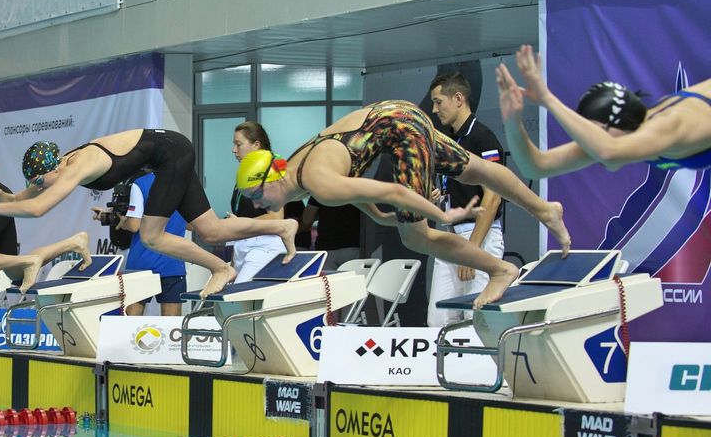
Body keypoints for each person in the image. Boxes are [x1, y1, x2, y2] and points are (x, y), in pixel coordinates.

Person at [234, 100, 570, 307]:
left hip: (402, 131)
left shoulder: (318, 183)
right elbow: (355, 189)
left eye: (257, 196)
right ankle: (545, 209)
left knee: (416, 237)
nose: (259, 205)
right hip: (397, 115)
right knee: (477, 170)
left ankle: (500, 269)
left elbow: (393, 193)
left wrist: (441, 214)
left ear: (273, 179)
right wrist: (383, 218)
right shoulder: (296, 170)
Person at [0, 130, 299, 297]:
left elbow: (37, 208)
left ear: (54, 168)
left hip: (172, 155)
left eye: (39, 181)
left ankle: (221, 268)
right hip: (172, 152)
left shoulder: (79, 165)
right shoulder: (59, 167)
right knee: (211, 231)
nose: (38, 187)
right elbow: (18, 198)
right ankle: (282, 227)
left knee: (151, 236)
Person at [496, 44, 711, 175]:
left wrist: (547, 99)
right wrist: (513, 124)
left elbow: (609, 153)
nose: (591, 140)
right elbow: (537, 167)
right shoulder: (621, 134)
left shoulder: (670, 125)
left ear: (615, 124)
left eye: (594, 132)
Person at [426, 72, 506, 327]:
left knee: (477, 320)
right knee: (438, 321)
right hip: (449, 237)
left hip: (478, 236)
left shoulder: (483, 138)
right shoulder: (447, 140)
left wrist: (472, 251)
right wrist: (438, 197)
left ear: (458, 98)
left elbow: (493, 198)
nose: (434, 109)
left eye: (438, 102)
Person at [94, 172, 187, 315]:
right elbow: (193, 224)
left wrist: (120, 221)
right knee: (172, 326)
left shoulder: (141, 183)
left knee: (132, 324)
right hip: (173, 263)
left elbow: (133, 225)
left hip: (141, 263)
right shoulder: (185, 183)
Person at [228, 123, 289, 282]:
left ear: (256, 145)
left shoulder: (271, 172)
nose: (234, 150)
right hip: (243, 245)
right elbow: (240, 220)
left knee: (240, 294)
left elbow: (276, 217)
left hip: (264, 247)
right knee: (232, 294)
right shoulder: (246, 175)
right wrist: (233, 264)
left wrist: (239, 224)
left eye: (239, 144)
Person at [299, 194, 362, 271]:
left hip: (327, 248)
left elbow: (306, 221)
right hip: (354, 245)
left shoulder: (319, 192)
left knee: (328, 278)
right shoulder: (356, 191)